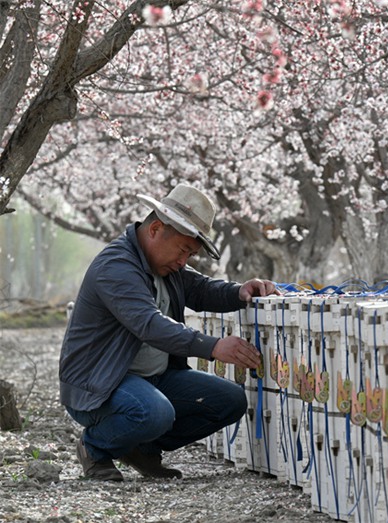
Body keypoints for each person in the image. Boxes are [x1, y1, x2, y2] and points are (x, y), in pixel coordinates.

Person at [60, 183, 279, 481]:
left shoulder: (166, 266)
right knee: (154, 413)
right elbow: (149, 324)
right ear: (155, 230)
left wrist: (240, 291)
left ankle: (141, 449)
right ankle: (95, 447)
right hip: (100, 382)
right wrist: (212, 346)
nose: (183, 261)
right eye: (183, 250)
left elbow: (201, 289)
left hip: (152, 378)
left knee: (230, 401)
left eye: (190, 255)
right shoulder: (116, 266)